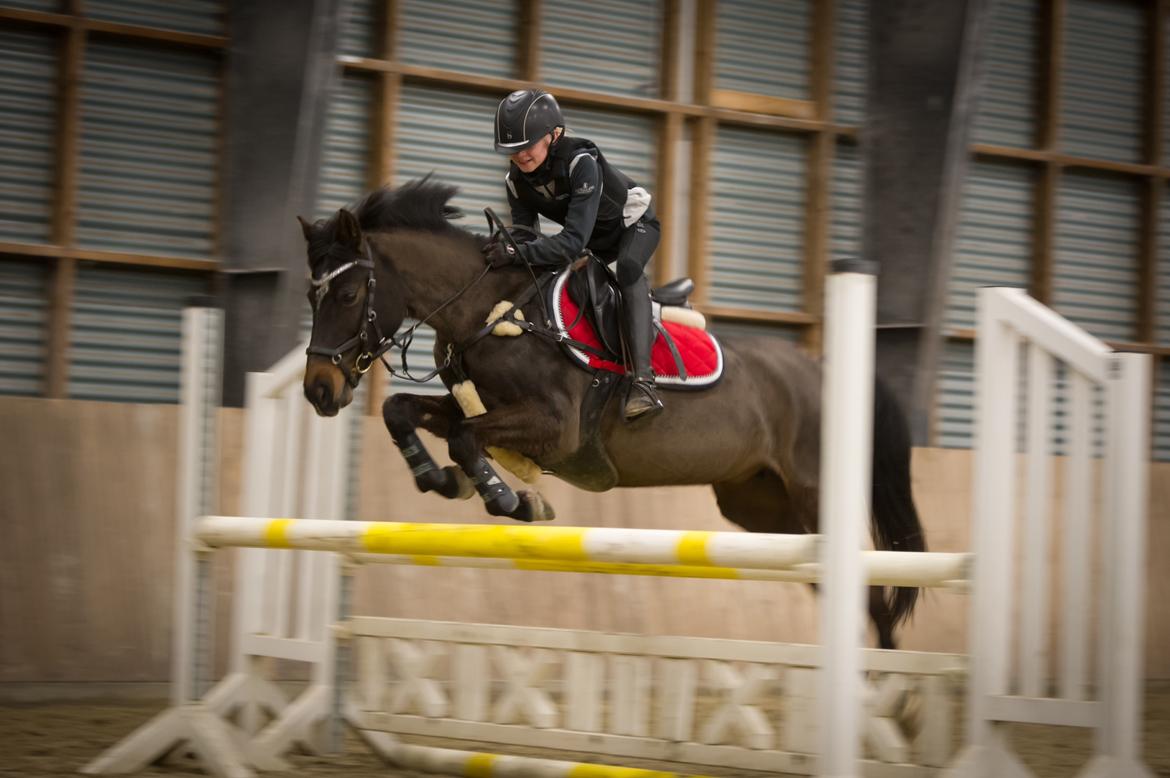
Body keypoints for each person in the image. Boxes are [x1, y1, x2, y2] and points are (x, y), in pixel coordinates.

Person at [486, 88, 664, 423]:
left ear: (554, 135)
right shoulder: (515, 181)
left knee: (627, 267)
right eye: (511, 150)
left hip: (633, 226)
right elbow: (525, 238)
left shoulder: (581, 163)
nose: (519, 156)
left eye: (527, 145)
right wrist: (504, 249)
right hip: (591, 240)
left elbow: (569, 243)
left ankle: (643, 382)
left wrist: (516, 252)